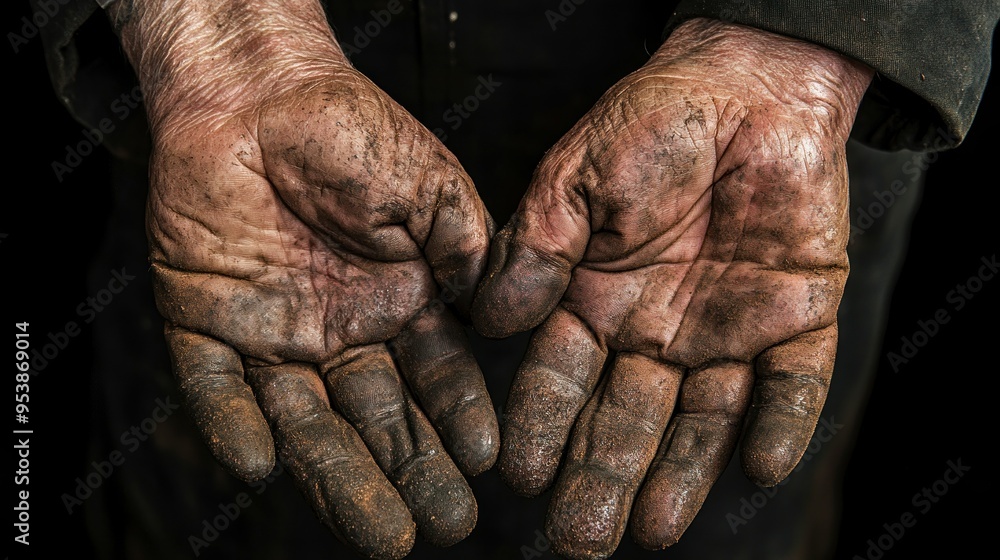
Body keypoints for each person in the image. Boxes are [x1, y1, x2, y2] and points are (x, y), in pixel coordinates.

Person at [32, 0, 997, 558]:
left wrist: (790, 59)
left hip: (747, 211)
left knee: (720, 521)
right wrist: (221, 44)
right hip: (239, 191)